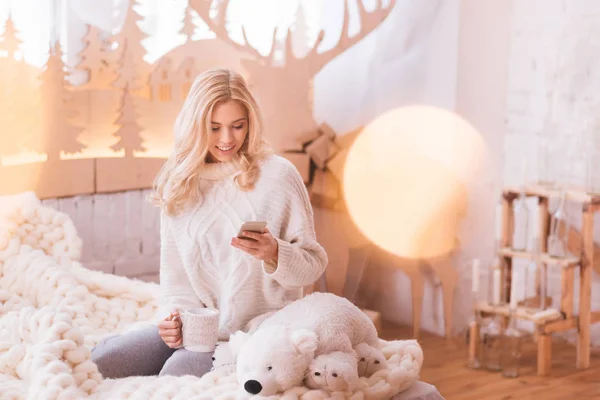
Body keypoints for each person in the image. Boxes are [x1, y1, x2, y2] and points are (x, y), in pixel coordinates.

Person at [90, 68, 328, 379]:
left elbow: (312, 266)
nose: (227, 139)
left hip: (256, 331)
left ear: (250, 123)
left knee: (175, 376)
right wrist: (170, 320)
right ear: (195, 126)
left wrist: (274, 253)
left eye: (237, 126)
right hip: (197, 328)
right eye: (214, 128)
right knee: (103, 361)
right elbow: (175, 280)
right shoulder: (180, 182)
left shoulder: (278, 176)